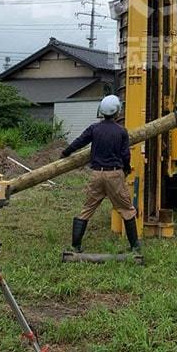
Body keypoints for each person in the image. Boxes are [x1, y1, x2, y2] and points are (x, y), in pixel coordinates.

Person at [61, 94, 141, 253]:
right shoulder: (121, 132)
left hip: (96, 174)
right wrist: (126, 169)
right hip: (114, 174)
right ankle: (135, 247)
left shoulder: (94, 128)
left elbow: (80, 141)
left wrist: (65, 152)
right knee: (127, 209)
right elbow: (125, 155)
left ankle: (76, 246)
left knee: (87, 208)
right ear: (117, 111)